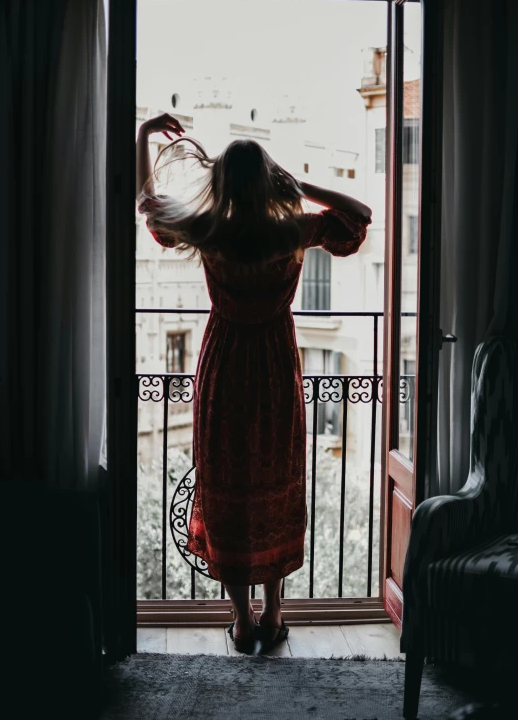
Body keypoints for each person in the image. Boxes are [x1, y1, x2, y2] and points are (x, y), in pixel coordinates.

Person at [136, 113, 372, 653]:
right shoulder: (291, 230)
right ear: (269, 182)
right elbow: (359, 217)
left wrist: (145, 134)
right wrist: (299, 185)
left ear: (222, 182)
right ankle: (273, 613)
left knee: (228, 488)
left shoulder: (208, 228)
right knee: (276, 482)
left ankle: (241, 621)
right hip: (272, 364)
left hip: (224, 365)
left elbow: (147, 203)